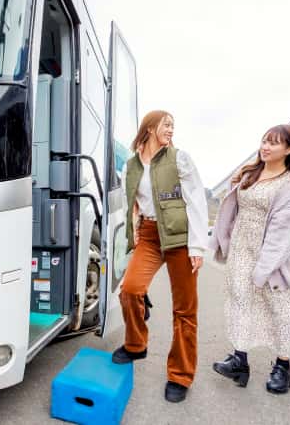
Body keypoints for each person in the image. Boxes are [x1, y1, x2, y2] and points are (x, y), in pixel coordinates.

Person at [210, 124, 290, 394]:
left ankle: (283, 366)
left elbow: (281, 235)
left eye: (273, 143)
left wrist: (262, 269)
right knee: (240, 302)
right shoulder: (251, 173)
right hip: (241, 250)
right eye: (264, 141)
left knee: (280, 309)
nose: (265, 147)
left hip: (273, 257)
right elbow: (234, 205)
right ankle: (240, 359)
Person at [110, 110, 209, 404]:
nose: (171, 130)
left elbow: (196, 200)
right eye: (167, 124)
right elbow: (131, 203)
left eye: (173, 126)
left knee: (184, 310)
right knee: (130, 291)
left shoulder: (180, 159)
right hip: (151, 235)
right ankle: (136, 344)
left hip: (181, 238)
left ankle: (180, 375)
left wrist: (197, 246)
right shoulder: (131, 166)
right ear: (150, 127)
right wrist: (134, 231)